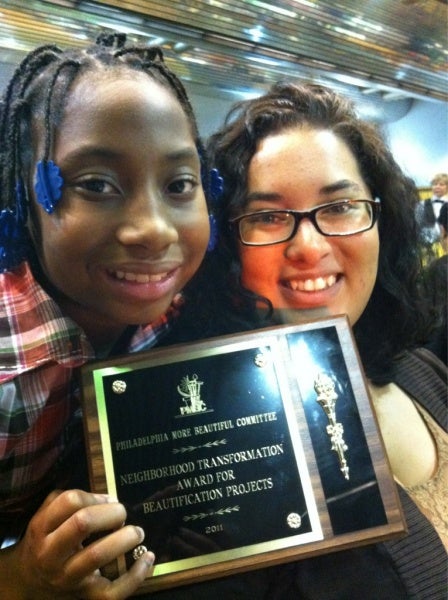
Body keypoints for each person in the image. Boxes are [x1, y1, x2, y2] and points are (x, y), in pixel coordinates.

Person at [194, 82, 447, 598]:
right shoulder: (209, 450)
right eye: (267, 216)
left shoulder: (422, 372)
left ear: (381, 221)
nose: (308, 247)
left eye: (340, 206)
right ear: (225, 243)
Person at [0, 32, 213, 599]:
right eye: (96, 185)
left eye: (179, 184)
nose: (154, 230)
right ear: (23, 197)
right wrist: (22, 577)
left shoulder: (179, 313)